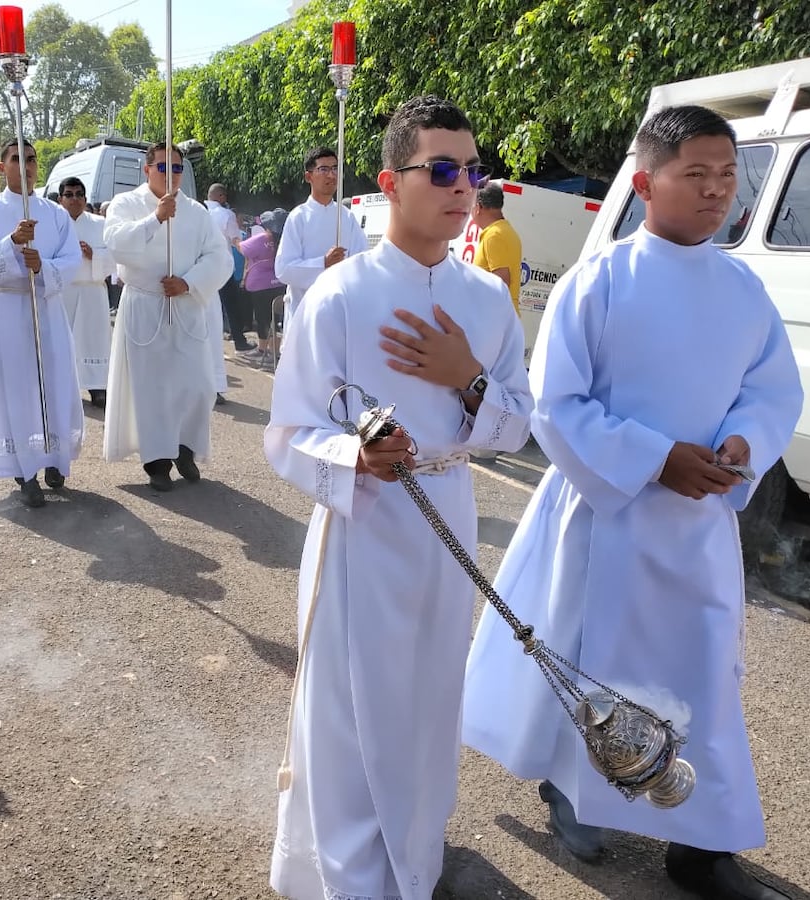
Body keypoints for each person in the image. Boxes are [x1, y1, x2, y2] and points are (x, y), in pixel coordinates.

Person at [462, 105, 804, 900]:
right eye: (698, 175)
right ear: (646, 183)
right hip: (606, 516)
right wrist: (656, 460)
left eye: (728, 177)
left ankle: (701, 844)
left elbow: (771, 389)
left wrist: (744, 444)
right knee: (593, 665)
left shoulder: (744, 287)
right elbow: (557, 402)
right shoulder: (601, 279)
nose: (718, 192)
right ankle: (571, 793)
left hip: (698, 525)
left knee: (704, 675)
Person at [266, 96, 533, 900]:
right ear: (390, 181)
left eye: (472, 170)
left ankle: (415, 853)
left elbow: (517, 427)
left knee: (428, 696)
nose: (463, 187)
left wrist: (468, 377)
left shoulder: (486, 300)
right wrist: (354, 454)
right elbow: (287, 433)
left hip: (450, 514)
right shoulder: (340, 298)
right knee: (352, 705)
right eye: (442, 170)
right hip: (365, 522)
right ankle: (348, 874)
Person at [103, 142, 233, 492]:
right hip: (146, 305)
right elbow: (115, 243)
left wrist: (189, 282)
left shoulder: (197, 212)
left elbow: (220, 258)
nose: (171, 174)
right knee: (153, 389)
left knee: (198, 386)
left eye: (177, 168)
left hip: (188, 304)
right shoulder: (126, 204)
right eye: (163, 167)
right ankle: (157, 462)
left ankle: (185, 448)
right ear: (146, 170)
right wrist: (156, 217)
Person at [0, 139, 84, 508]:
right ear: (2, 167)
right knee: (17, 388)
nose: (27, 166)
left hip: (47, 306)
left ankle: (53, 457)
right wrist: (12, 242)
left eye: (31, 159)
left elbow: (72, 260)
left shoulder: (55, 213)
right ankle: (24, 470)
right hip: (9, 309)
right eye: (17, 159)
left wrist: (42, 267)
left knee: (52, 382)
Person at [273, 146, 368, 332]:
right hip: (305, 315)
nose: (331, 175)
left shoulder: (347, 218)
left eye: (335, 169)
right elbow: (283, 269)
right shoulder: (298, 217)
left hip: (340, 314)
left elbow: (362, 262)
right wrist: (322, 263)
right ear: (309, 176)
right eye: (324, 169)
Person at [56, 176, 113, 407]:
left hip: (92, 290)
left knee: (94, 340)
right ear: (60, 199)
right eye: (69, 195)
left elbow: (115, 256)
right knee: (63, 341)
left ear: (85, 198)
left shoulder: (100, 224)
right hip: (63, 291)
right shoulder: (53, 225)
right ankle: (63, 387)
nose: (74, 199)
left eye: (79, 194)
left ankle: (97, 386)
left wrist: (94, 255)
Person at [206, 183, 256, 357]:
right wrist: (250, 256)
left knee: (206, 305)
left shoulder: (200, 212)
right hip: (222, 267)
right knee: (231, 305)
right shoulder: (226, 215)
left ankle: (207, 344)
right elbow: (236, 241)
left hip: (202, 266)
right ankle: (240, 344)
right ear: (221, 197)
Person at [237, 208, 287, 366]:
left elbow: (243, 248)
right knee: (275, 318)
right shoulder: (284, 241)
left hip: (260, 286)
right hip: (279, 283)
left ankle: (263, 350)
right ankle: (274, 350)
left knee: (262, 319)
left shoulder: (262, 238)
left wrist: (234, 241)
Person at [471, 181, 523, 316]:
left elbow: (501, 281)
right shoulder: (506, 230)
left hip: (495, 318)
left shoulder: (493, 235)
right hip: (504, 317)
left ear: (478, 207)